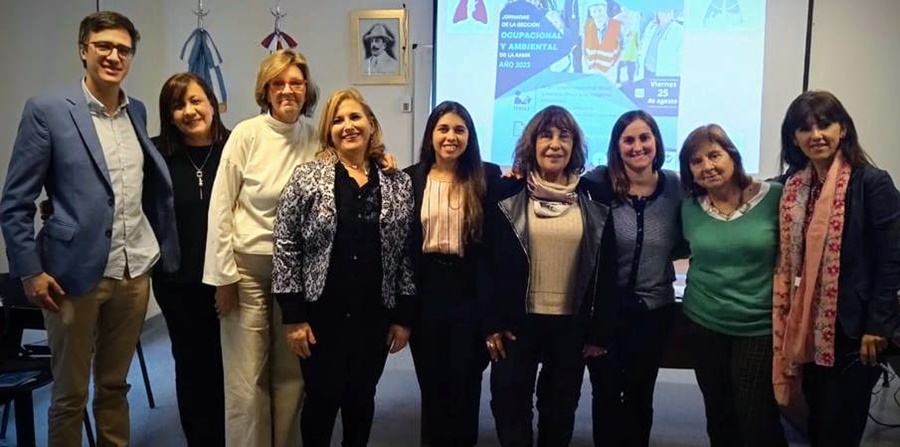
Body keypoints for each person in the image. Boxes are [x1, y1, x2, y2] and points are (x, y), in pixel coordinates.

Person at [0, 11, 179, 446]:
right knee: (70, 394)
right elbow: (16, 202)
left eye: (123, 49)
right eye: (104, 46)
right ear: (84, 51)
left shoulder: (136, 111)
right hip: (70, 276)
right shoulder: (47, 110)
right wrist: (30, 271)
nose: (114, 56)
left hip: (133, 272)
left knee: (115, 386)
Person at [272, 88, 416, 447]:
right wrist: (293, 316)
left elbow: (405, 254)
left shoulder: (399, 183)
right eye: (338, 120)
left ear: (371, 125)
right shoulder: (306, 177)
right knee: (321, 400)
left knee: (361, 398)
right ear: (329, 132)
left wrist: (403, 317)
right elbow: (286, 244)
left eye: (355, 117)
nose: (348, 126)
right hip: (321, 314)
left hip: (374, 315)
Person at [480, 105, 616, 447]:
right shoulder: (505, 193)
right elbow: (487, 262)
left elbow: (606, 267)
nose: (555, 144)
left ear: (574, 146)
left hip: (571, 325)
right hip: (516, 324)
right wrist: (491, 322)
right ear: (532, 143)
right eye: (546, 136)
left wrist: (599, 329)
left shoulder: (595, 196)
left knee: (559, 411)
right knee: (510, 407)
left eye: (564, 136)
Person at [202, 49, 318, 447]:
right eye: (277, 83)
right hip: (248, 268)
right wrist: (223, 278)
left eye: (295, 83)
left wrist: (383, 157)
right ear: (265, 91)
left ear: (306, 90)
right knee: (247, 375)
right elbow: (221, 206)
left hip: (298, 274)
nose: (287, 90)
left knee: (291, 373)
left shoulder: (315, 137)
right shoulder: (246, 135)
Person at [773, 90, 900, 447]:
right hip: (804, 327)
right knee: (813, 422)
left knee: (839, 428)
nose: (816, 135)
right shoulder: (791, 187)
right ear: (794, 138)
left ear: (842, 129)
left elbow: (892, 259)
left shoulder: (871, 183)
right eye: (805, 128)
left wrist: (878, 325)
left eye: (825, 125)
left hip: (852, 330)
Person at [678, 124, 787, 447]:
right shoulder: (689, 208)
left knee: (756, 417)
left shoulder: (774, 197)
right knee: (719, 414)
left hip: (757, 326)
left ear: (733, 156)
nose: (707, 166)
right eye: (696, 161)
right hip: (703, 322)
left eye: (714, 155)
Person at [404, 101, 502, 447]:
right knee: (432, 386)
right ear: (431, 135)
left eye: (459, 130)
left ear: (469, 137)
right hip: (426, 294)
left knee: (465, 385)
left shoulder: (488, 177)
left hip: (469, 295)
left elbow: (492, 249)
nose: (451, 137)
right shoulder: (410, 179)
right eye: (443, 129)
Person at [583, 110, 682, 447]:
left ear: (656, 141)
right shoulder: (598, 184)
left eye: (644, 138)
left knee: (640, 395)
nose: (637, 146)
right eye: (628, 140)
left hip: (653, 312)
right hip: (606, 314)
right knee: (606, 395)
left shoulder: (676, 187)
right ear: (616, 146)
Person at [152, 72, 229, 446]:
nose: (189, 111)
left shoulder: (235, 148)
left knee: (230, 365)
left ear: (212, 104)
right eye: (177, 105)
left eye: (196, 101)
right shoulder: (155, 156)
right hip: (177, 282)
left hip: (229, 281)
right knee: (191, 366)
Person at [637, 10, 683, 80]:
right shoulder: (651, 26)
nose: (666, 14)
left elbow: (681, 55)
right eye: (663, 11)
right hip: (646, 70)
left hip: (663, 74)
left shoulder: (678, 30)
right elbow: (643, 44)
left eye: (669, 11)